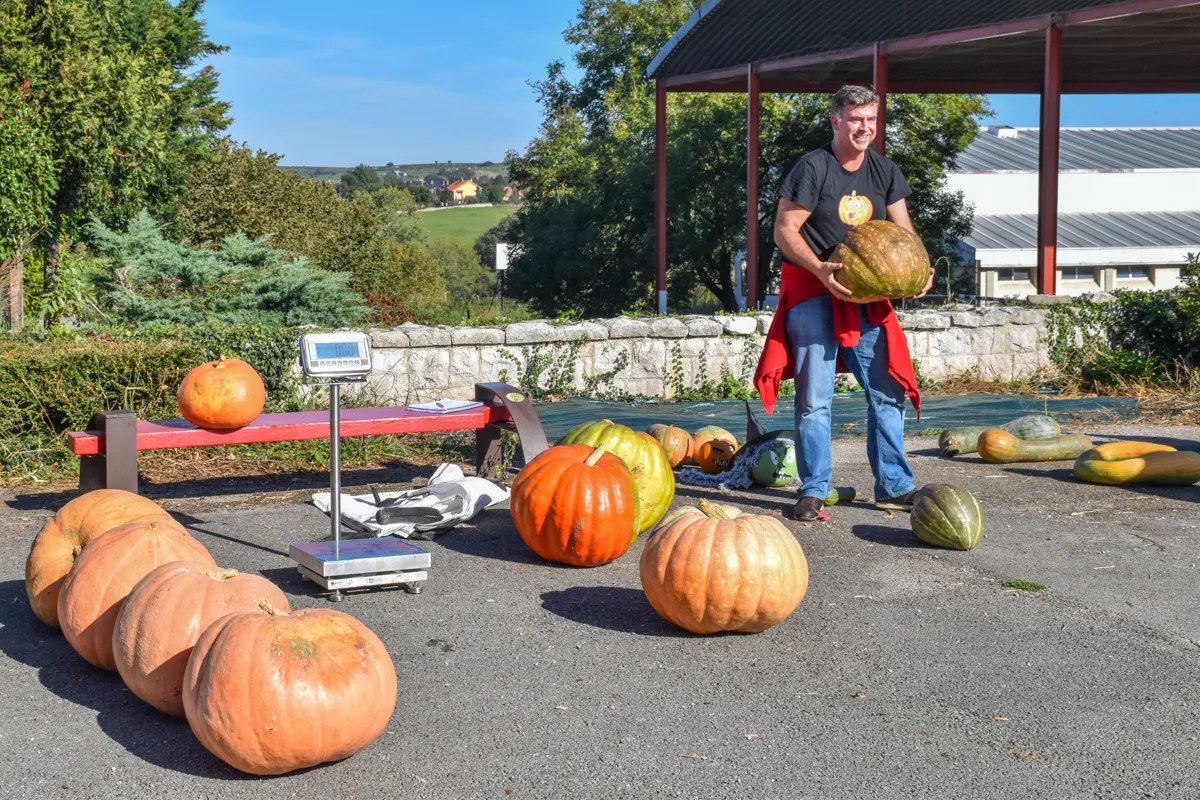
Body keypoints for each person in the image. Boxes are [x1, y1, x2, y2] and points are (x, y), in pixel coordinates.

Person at [753, 84, 934, 523]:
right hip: (815, 292)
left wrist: (921, 268)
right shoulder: (812, 168)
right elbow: (784, 230)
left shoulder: (885, 171)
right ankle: (814, 490)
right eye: (856, 119)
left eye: (871, 120)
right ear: (836, 121)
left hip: (865, 296)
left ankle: (893, 486)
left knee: (886, 393)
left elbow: (905, 231)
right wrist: (819, 268)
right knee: (815, 399)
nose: (864, 128)